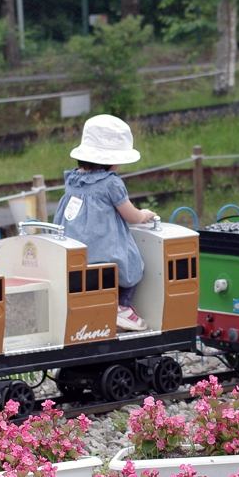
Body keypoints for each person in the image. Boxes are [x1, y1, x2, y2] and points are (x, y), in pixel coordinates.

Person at [53, 114, 156, 332]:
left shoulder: (72, 180)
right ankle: (122, 308)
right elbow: (131, 216)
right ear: (112, 158)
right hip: (103, 246)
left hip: (76, 248)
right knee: (133, 266)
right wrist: (145, 213)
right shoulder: (111, 183)